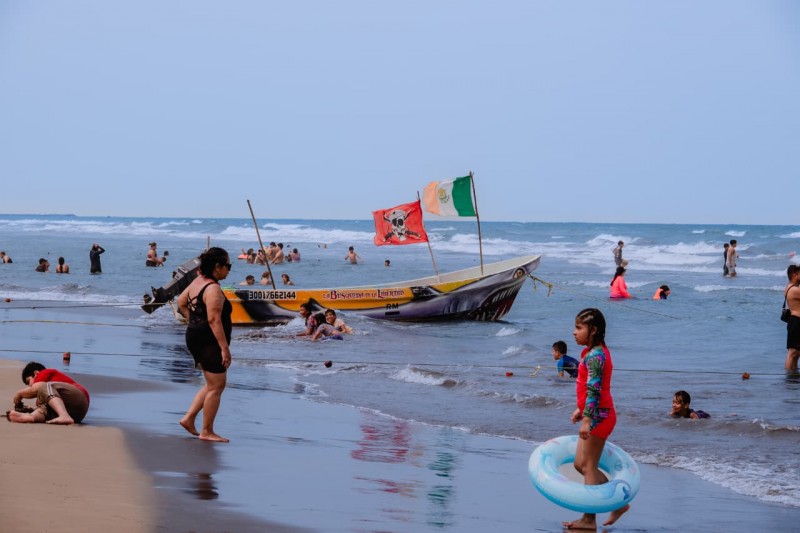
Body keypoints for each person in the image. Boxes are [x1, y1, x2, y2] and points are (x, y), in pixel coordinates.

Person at [563, 308, 629, 529]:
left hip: (600, 417)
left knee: (589, 466)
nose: (574, 332)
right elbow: (587, 388)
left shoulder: (597, 356)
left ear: (593, 330)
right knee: (579, 464)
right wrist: (580, 409)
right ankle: (617, 502)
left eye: (579, 328)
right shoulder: (591, 353)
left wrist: (587, 419)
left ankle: (589, 520)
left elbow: (594, 389)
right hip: (594, 413)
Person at [176, 247, 233, 443]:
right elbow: (214, 320)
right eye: (228, 266)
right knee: (217, 386)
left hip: (194, 336)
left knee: (211, 384)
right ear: (217, 266)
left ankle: (188, 419)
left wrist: (193, 321)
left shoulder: (198, 281)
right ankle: (207, 431)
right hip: (209, 341)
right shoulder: (213, 288)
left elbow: (181, 302)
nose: (229, 270)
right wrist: (224, 349)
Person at [8, 362, 90, 425]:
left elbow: (36, 389)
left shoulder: (45, 373)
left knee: (44, 386)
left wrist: (19, 394)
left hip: (79, 397)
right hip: (77, 415)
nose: (29, 385)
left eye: (28, 381)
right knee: (43, 407)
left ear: (36, 373)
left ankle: (64, 416)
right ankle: (30, 417)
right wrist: (30, 410)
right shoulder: (47, 394)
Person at [784, 264, 800, 374]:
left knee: (797, 352)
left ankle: (794, 374)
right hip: (796, 322)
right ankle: (789, 376)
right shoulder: (794, 289)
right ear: (795, 275)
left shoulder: (790, 287)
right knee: (793, 352)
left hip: (795, 321)